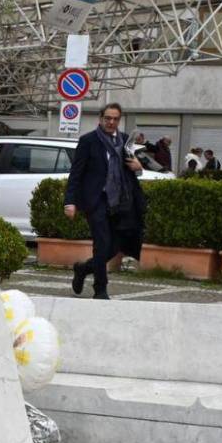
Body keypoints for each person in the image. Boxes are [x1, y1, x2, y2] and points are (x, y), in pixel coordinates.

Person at [65, 102, 146, 301]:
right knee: (101, 244)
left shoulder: (125, 141)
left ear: (119, 120)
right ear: (100, 119)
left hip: (120, 201)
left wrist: (138, 166)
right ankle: (100, 289)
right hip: (97, 200)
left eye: (115, 119)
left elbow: (132, 169)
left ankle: (84, 268)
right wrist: (70, 201)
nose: (111, 122)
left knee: (115, 246)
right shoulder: (88, 141)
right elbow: (76, 174)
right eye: (107, 118)